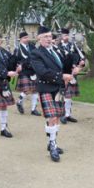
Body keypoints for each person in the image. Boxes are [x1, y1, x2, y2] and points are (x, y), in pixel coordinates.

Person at [31, 26, 77, 162]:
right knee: (51, 117)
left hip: (58, 88)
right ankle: (52, 145)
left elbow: (64, 64)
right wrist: (62, 76)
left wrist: (74, 62)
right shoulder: (36, 53)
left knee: (56, 117)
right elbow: (42, 72)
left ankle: (53, 141)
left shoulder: (56, 50)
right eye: (45, 36)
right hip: (46, 88)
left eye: (50, 36)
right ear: (39, 38)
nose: (48, 39)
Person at [58, 28, 84, 124]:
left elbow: (80, 58)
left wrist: (80, 66)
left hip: (72, 74)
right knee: (63, 96)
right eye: (64, 35)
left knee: (68, 96)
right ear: (60, 36)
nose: (66, 37)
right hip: (63, 74)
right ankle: (62, 114)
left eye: (67, 35)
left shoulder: (73, 46)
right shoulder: (57, 47)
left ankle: (67, 115)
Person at [15, 31, 41, 116]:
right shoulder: (18, 49)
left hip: (33, 70)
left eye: (27, 37)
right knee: (27, 90)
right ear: (21, 39)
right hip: (24, 71)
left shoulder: (32, 46)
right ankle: (19, 101)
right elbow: (15, 60)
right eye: (25, 38)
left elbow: (37, 56)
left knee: (35, 91)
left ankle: (33, 109)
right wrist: (18, 66)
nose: (27, 39)